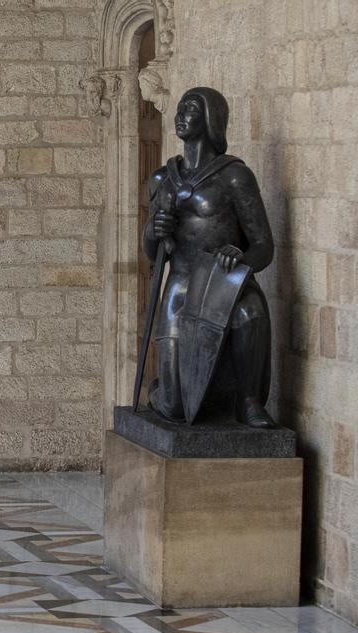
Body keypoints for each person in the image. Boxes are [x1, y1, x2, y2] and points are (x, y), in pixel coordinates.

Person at [142, 87, 275, 427]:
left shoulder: (233, 176)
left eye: (191, 108)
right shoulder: (163, 179)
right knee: (173, 408)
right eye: (181, 108)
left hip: (222, 284)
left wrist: (240, 257)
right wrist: (156, 230)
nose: (180, 115)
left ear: (211, 119)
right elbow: (151, 252)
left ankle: (248, 401)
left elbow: (263, 246)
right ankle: (164, 392)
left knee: (251, 313)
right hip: (181, 286)